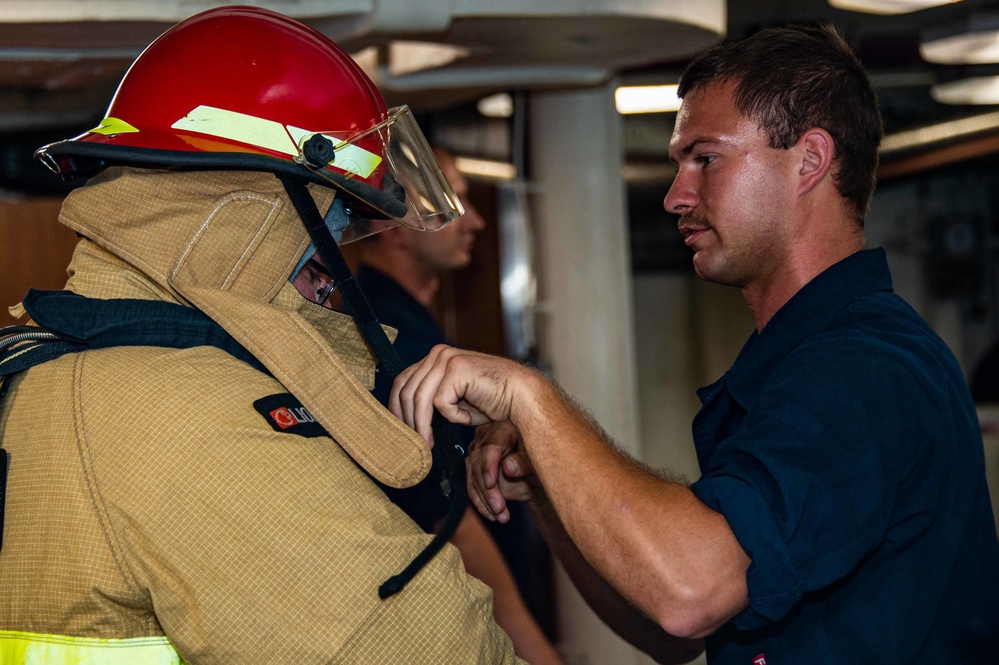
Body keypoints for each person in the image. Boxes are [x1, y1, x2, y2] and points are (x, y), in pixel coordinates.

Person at [389, 25, 999, 664]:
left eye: (706, 159)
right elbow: (674, 629)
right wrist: (549, 482)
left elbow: (689, 593)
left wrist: (529, 396)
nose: (676, 195)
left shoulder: (861, 368)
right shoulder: (795, 363)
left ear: (810, 161)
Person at [0, 7, 524, 663]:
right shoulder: (182, 410)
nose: (331, 273)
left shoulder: (63, 366)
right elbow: (431, 649)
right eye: (328, 233)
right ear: (252, 218)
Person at [353, 147, 562, 665]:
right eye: (451, 204)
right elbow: (445, 517)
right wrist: (533, 650)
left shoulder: (412, 326)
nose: (476, 221)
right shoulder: (384, 336)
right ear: (393, 226)